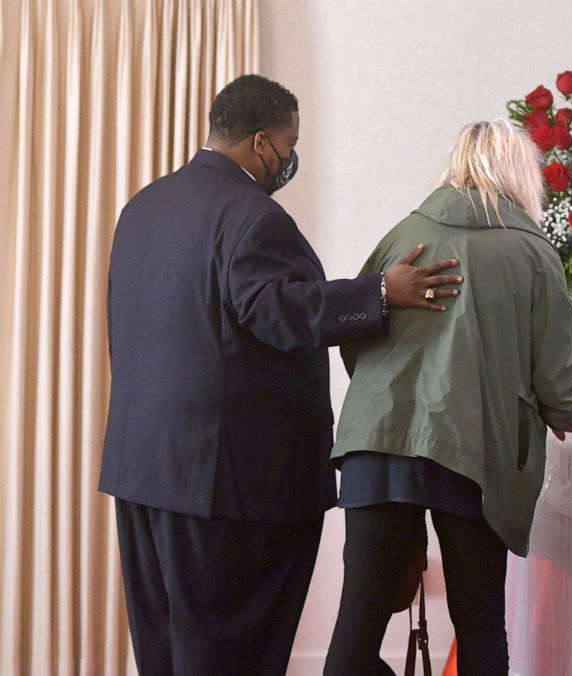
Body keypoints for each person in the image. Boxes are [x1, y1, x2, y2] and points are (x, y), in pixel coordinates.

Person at [99, 74, 463, 675]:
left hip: (143, 471)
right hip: (227, 488)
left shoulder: (144, 206)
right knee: (228, 653)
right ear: (262, 141)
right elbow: (278, 309)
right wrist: (380, 292)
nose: (290, 158)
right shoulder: (250, 215)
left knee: (167, 652)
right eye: (290, 143)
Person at [324, 119, 572, 676]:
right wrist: (565, 411)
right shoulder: (529, 251)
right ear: (521, 172)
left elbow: (357, 335)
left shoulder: (404, 233)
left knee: (358, 622)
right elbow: (556, 362)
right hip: (475, 451)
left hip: (377, 441)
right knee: (479, 626)